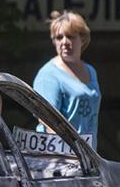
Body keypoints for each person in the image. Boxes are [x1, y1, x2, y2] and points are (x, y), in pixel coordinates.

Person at [33, 10, 101, 148]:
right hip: (59, 158)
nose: (64, 42)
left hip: (89, 157)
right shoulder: (48, 75)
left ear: (82, 39)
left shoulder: (91, 71)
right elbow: (48, 122)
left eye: (70, 36)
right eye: (59, 37)